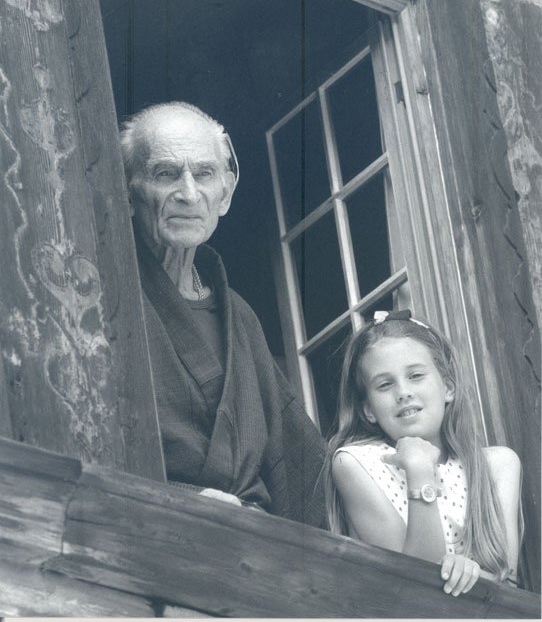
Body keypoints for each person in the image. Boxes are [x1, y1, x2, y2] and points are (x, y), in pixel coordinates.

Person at [119, 101, 326, 527]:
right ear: (128, 187)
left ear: (226, 194)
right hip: (148, 525)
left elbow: (300, 461)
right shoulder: (108, 292)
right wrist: (186, 499)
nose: (189, 194)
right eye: (166, 173)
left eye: (205, 174)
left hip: (251, 543)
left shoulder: (240, 318)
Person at [325, 309, 522, 595]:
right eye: (385, 384)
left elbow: (508, 584)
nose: (403, 392)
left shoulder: (497, 465)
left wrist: (472, 573)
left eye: (416, 375)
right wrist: (419, 472)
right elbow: (416, 587)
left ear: (448, 388)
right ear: (368, 409)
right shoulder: (354, 463)